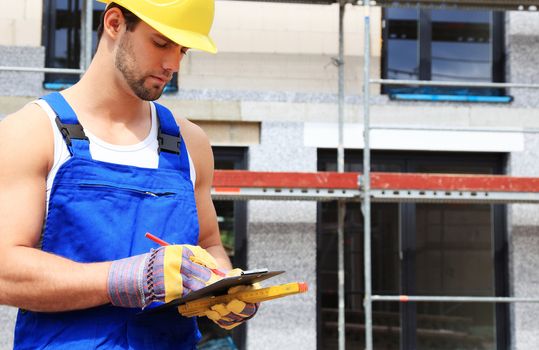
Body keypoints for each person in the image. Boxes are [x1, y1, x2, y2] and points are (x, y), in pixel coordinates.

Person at [0, 0, 257, 348]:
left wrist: (221, 291)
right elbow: (4, 271)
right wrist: (121, 278)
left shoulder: (190, 144)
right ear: (115, 22)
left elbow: (210, 244)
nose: (173, 64)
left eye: (183, 49)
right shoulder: (32, 132)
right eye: (161, 43)